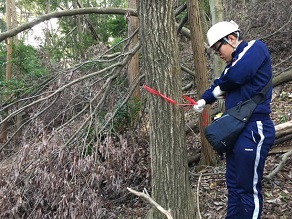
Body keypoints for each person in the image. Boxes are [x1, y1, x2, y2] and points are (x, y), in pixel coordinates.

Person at [193, 21, 275, 218]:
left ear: (231, 38)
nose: (218, 54)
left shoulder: (255, 48)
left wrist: (220, 89)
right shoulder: (230, 67)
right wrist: (204, 99)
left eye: (218, 48)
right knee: (234, 187)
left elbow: (238, 75)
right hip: (236, 132)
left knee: (248, 189)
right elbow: (220, 83)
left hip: (255, 128)